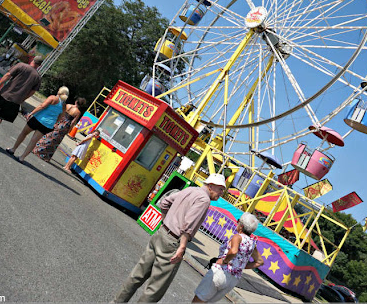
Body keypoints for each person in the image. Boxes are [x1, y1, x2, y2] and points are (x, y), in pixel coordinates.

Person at [114, 173, 227, 303]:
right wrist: (182, 247)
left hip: (162, 233)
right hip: (173, 242)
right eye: (220, 189)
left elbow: (164, 202)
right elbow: (188, 225)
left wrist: (165, 220)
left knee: (137, 275)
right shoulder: (204, 200)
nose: (221, 193)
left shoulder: (190, 190)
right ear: (211, 186)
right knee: (155, 289)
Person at [192, 213, 264, 302]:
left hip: (221, 272)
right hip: (233, 279)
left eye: (238, 222)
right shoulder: (252, 243)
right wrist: (240, 266)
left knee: (199, 299)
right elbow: (259, 261)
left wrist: (224, 261)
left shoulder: (237, 237)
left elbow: (234, 251)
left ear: (241, 226)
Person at [6, 86, 69, 163]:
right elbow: (60, 117)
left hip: (38, 119)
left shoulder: (52, 98)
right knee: (33, 141)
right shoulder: (64, 105)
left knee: (24, 133)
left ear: (59, 92)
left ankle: (13, 149)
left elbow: (42, 106)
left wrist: (31, 113)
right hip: (47, 125)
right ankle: (22, 157)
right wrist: (54, 123)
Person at [32, 97, 87, 163]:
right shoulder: (78, 112)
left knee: (48, 135)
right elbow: (73, 122)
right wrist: (70, 130)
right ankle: (45, 155)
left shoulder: (68, 105)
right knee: (56, 140)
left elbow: (61, 113)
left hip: (60, 120)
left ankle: (37, 149)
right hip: (65, 125)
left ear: (76, 101)